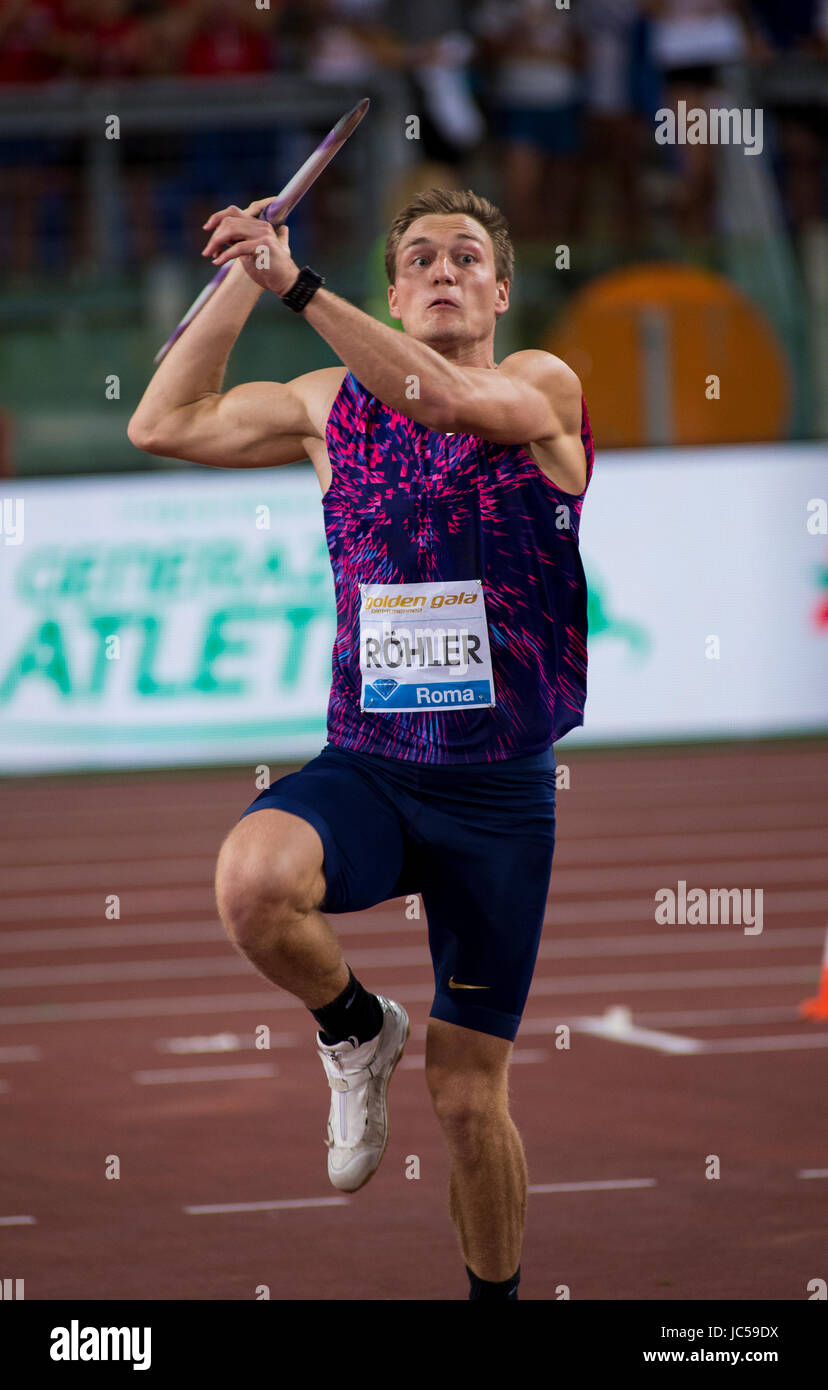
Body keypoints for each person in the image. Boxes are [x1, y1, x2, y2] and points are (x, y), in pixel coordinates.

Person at [128, 184, 594, 1301]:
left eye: (466, 255)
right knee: (251, 882)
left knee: (472, 1101)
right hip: (372, 769)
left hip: (497, 798)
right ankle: (354, 1026)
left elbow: (440, 403)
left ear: (501, 288)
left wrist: (297, 281)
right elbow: (161, 423)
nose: (443, 269)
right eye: (420, 257)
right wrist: (245, 277)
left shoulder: (538, 385)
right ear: (391, 289)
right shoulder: (325, 406)